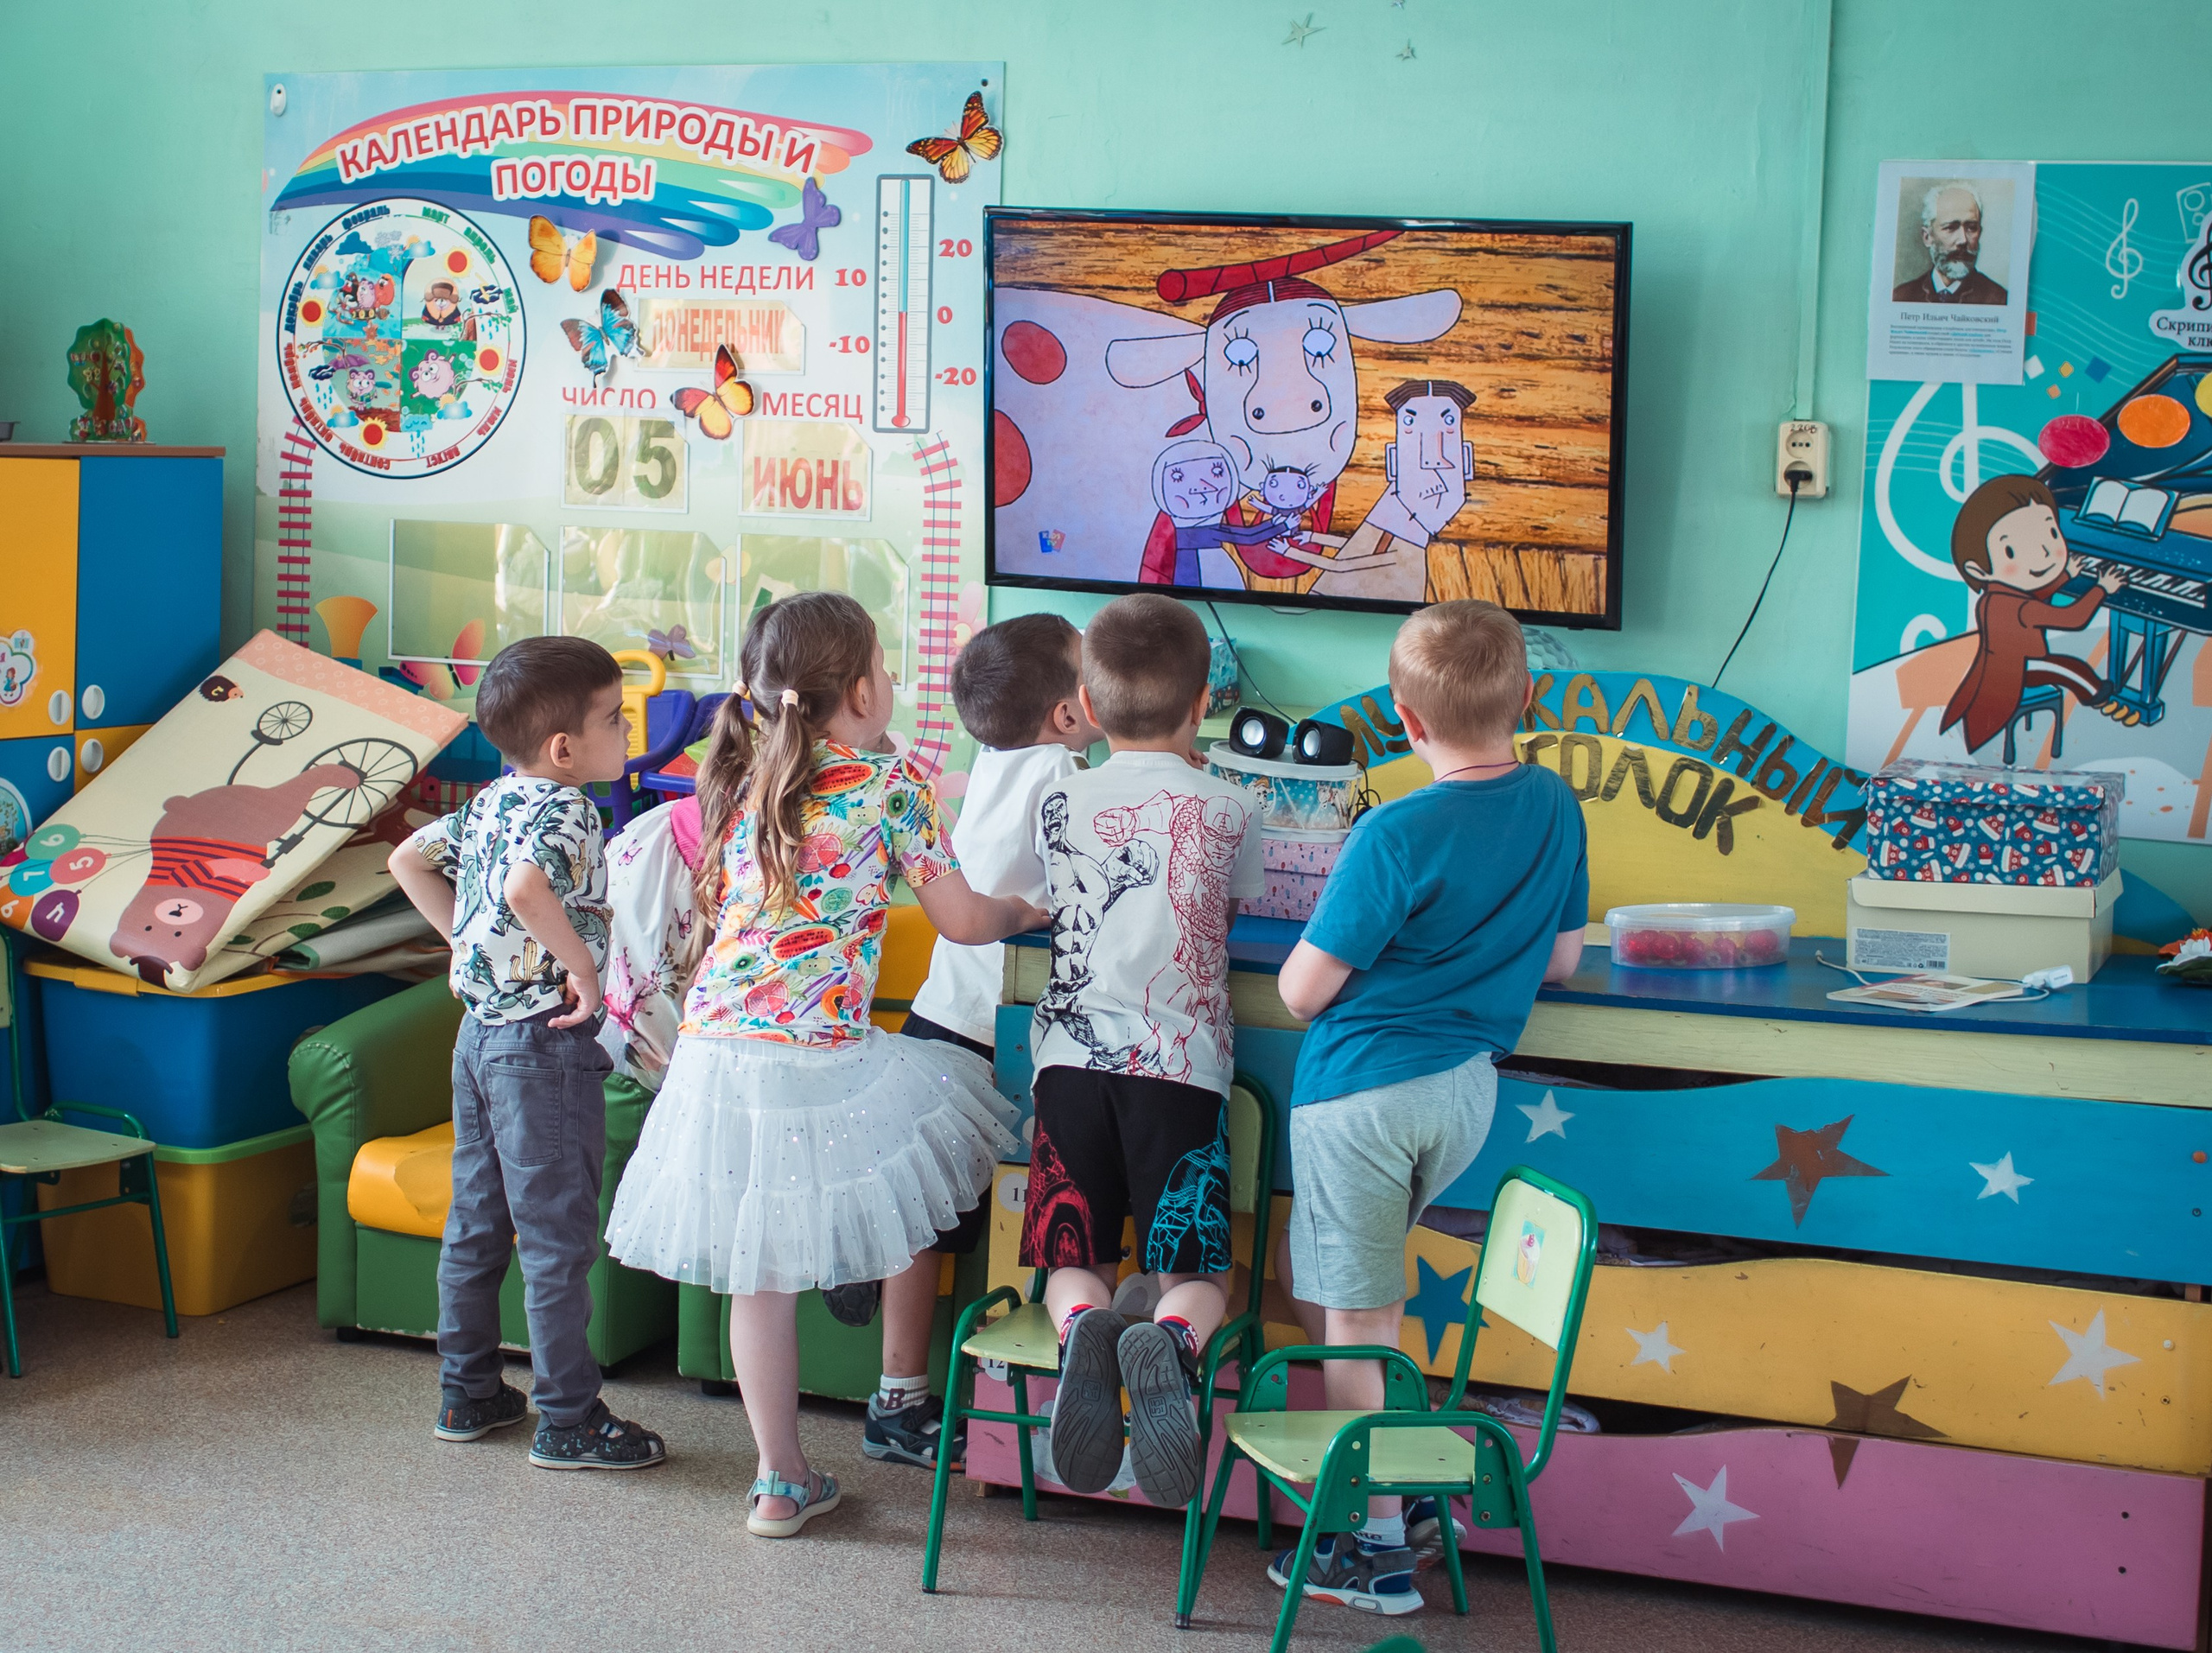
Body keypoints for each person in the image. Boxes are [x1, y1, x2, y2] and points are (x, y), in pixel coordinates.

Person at [603, 591, 1045, 1538]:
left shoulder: (737, 776)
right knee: (933, 1142)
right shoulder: (893, 785)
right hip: (816, 1053)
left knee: (757, 1277)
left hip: (714, 1056)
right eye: (885, 665)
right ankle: (860, 1287)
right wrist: (1023, 910)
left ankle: (778, 1478)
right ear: (858, 688)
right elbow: (964, 919)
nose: (894, 679)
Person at [1268, 599, 1589, 1618]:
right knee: (1375, 1301)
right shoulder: (1554, 806)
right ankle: (1400, 1496)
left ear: (1403, 719)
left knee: (1353, 1314)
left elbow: (1300, 991)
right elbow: (1568, 956)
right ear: (1525, 698)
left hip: (1360, 1096)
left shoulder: (1393, 830)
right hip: (1464, 1092)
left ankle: (1369, 1548)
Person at [826, 613, 1103, 1471]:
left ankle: (896, 1388)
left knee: (919, 1210)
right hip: (996, 1028)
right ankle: (903, 1394)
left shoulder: (994, 760)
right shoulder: (1066, 774)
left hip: (942, 1014)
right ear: (1067, 713)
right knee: (942, 1216)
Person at [386, 635, 668, 1472]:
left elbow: (407, 857)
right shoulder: (570, 810)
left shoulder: (492, 801)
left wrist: (462, 944)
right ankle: (569, 1416)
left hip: (478, 1038)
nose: (627, 732)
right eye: (616, 719)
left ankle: (468, 1391)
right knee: (555, 1237)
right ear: (564, 748)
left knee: (476, 1221)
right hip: (543, 1044)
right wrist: (580, 966)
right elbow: (523, 889)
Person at [1022, 593, 1264, 1511]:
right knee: (1196, 1266)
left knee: (1071, 1251)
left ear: (1084, 699)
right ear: (1204, 704)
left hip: (1069, 1067)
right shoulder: (1232, 807)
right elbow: (1232, 910)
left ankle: (1082, 1321)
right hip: (1181, 1071)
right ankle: (1170, 1340)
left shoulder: (1057, 800)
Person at [1939, 474, 2134, 753]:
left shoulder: (1995, 598)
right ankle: (2103, 699)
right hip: (2020, 669)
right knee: (2073, 670)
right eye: (2011, 550)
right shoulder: (2020, 607)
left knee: (2068, 667)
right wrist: (2101, 588)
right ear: (1977, 570)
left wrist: (2065, 575)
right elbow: (2073, 619)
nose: (2044, 552)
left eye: (2052, 533)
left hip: (2002, 667)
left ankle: (2102, 695)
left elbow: (2033, 596)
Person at [1892, 182, 2008, 305]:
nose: (1963, 240)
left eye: (1972, 228)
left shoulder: (1999, 299)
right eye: (1951, 228)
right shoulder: (1901, 297)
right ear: (1927, 237)